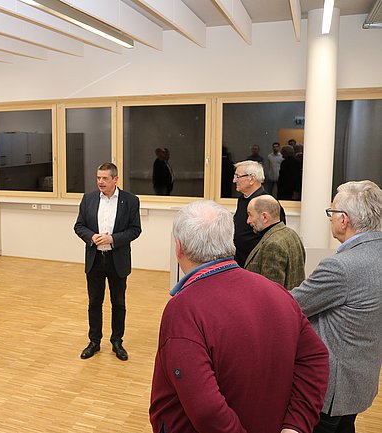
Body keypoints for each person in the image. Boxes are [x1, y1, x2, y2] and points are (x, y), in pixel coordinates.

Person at [150, 200, 329, 433]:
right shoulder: (277, 292)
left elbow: (206, 410)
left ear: (178, 248)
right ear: (230, 241)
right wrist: (295, 425)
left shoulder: (182, 310)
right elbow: (316, 358)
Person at [292, 180, 382, 433]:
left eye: (331, 212)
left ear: (344, 220)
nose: (330, 218)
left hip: (330, 390)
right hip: (361, 380)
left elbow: (293, 305)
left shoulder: (341, 267)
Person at [74, 162, 141, 361]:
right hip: (95, 260)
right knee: (94, 302)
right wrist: (91, 236)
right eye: (98, 178)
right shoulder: (88, 199)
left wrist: (113, 239)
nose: (100, 182)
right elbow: (79, 226)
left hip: (117, 260)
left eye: (104, 178)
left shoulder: (130, 201)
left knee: (118, 303)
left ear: (115, 179)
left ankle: (117, 342)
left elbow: (135, 230)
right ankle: (94, 342)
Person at [245, 195, 305, 290]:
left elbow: (271, 292)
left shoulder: (273, 245)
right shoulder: (292, 234)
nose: (248, 221)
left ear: (264, 217)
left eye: (250, 215)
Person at [232, 160, 286, 267]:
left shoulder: (268, 203)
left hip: (256, 264)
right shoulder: (242, 199)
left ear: (251, 179)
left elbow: (276, 237)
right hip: (239, 260)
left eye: (238, 176)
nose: (234, 180)